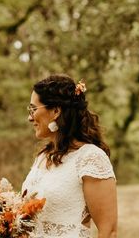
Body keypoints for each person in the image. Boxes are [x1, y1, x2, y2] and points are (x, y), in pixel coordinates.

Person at [22, 73, 117, 238]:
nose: (30, 117)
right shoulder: (43, 157)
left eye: (33, 109)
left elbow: (108, 231)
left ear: (56, 111)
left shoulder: (91, 158)